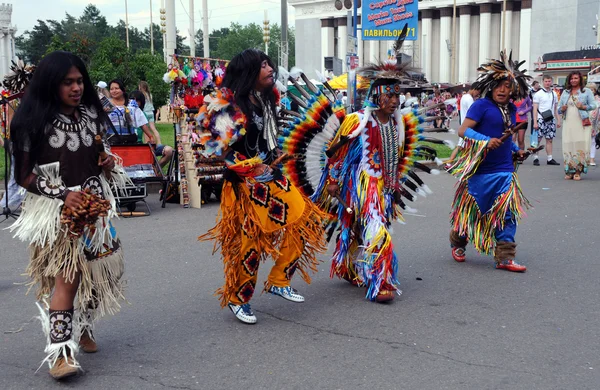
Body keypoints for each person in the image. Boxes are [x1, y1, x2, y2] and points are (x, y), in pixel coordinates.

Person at [9, 51, 129, 380]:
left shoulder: (91, 113)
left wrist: (107, 162)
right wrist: (63, 195)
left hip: (95, 206)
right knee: (69, 276)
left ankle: (84, 325)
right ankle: (60, 353)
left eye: (79, 81)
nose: (76, 88)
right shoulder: (31, 121)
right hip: (58, 212)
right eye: (67, 82)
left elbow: (98, 153)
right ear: (51, 84)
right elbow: (24, 177)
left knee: (100, 272)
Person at [197, 49, 327, 324]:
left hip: (271, 175)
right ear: (248, 73)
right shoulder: (230, 104)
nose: (270, 69)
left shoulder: (267, 99)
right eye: (263, 65)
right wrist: (250, 166)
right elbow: (218, 150)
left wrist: (277, 158)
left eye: (269, 63)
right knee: (250, 244)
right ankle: (237, 299)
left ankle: (280, 279)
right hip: (243, 185)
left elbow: (270, 138)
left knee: (307, 218)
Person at [310, 61, 444, 303]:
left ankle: (351, 268)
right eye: (389, 95)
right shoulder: (358, 120)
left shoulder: (395, 123)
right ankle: (380, 281)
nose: (394, 100)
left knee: (360, 230)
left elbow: (393, 157)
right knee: (377, 230)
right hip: (360, 185)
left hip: (382, 186)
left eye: (397, 95)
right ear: (377, 95)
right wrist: (332, 180)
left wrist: (394, 183)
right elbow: (336, 153)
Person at [448, 50, 531, 273]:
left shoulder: (511, 109)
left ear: (514, 88)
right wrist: (485, 141)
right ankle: (458, 241)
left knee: (507, 212)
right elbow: (463, 131)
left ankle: (505, 256)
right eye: (499, 85)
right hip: (479, 171)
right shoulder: (481, 106)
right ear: (490, 86)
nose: (503, 90)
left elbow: (506, 137)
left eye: (507, 86)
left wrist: (516, 150)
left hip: (504, 171)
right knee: (474, 212)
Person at [557, 72, 597, 180]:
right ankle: (569, 170)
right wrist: (562, 109)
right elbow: (558, 108)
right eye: (571, 78)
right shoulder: (565, 92)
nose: (573, 80)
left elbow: (594, 105)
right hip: (568, 122)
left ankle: (578, 171)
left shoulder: (586, 91)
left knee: (580, 145)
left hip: (581, 122)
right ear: (569, 80)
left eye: (576, 78)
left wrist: (583, 106)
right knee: (568, 144)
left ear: (580, 80)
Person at [130, 90, 173, 168]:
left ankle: (156, 170)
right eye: (132, 100)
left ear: (141, 102)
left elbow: (148, 138)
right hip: (128, 148)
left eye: (137, 100)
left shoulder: (143, 115)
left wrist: (150, 141)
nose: (134, 102)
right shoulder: (124, 113)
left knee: (169, 151)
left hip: (141, 147)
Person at [106, 79, 153, 145]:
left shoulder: (132, 104)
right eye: (111, 89)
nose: (114, 91)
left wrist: (150, 136)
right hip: (111, 141)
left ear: (123, 89)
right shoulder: (105, 104)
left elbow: (142, 122)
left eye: (116, 88)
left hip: (130, 141)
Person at [447, 88, 480, 166]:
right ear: (474, 89)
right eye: (478, 92)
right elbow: (473, 111)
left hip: (464, 124)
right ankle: (451, 163)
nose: (478, 95)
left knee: (462, 146)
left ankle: (453, 163)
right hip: (468, 126)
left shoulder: (464, 97)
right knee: (462, 146)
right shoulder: (469, 99)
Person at [532, 75, 561, 166]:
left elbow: (555, 109)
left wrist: (558, 120)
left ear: (551, 82)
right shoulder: (538, 94)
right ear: (542, 82)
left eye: (549, 81)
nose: (548, 83)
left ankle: (550, 158)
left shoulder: (554, 94)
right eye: (546, 81)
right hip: (541, 119)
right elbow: (535, 109)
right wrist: (535, 122)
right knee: (538, 139)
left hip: (550, 119)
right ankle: (535, 158)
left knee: (550, 140)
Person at [589, 84, 600, 166]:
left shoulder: (598, 100)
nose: (590, 91)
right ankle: (584, 158)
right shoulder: (583, 99)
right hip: (584, 122)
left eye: (592, 89)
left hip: (595, 123)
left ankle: (592, 158)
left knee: (593, 141)